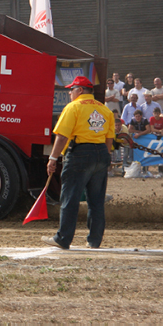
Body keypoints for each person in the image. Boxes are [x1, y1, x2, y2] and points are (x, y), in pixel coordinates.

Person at [42, 76, 114, 250]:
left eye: (72, 89)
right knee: (96, 201)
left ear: (80, 90)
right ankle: (94, 240)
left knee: (70, 198)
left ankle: (63, 238)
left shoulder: (73, 107)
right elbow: (109, 139)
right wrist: (104, 158)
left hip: (80, 154)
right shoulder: (105, 110)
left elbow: (62, 136)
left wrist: (52, 158)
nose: (69, 93)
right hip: (101, 153)